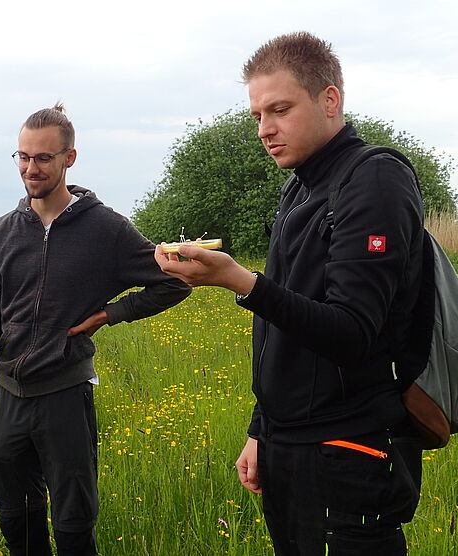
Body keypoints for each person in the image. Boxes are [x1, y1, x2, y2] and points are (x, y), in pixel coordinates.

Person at [155, 32, 425, 555]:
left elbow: (352, 331)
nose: (265, 129)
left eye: (279, 109)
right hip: (289, 445)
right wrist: (263, 428)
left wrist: (239, 280)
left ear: (330, 100)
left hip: (348, 451)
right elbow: (283, 324)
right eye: (257, 115)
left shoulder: (374, 181)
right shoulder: (300, 185)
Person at [0, 104, 191, 555]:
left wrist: (109, 315)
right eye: (23, 157)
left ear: (70, 158)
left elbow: (175, 280)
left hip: (65, 396)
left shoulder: (105, 230)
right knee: (15, 518)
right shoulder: (2, 232)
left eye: (44, 158)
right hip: (9, 396)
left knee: (73, 522)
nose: (31, 168)